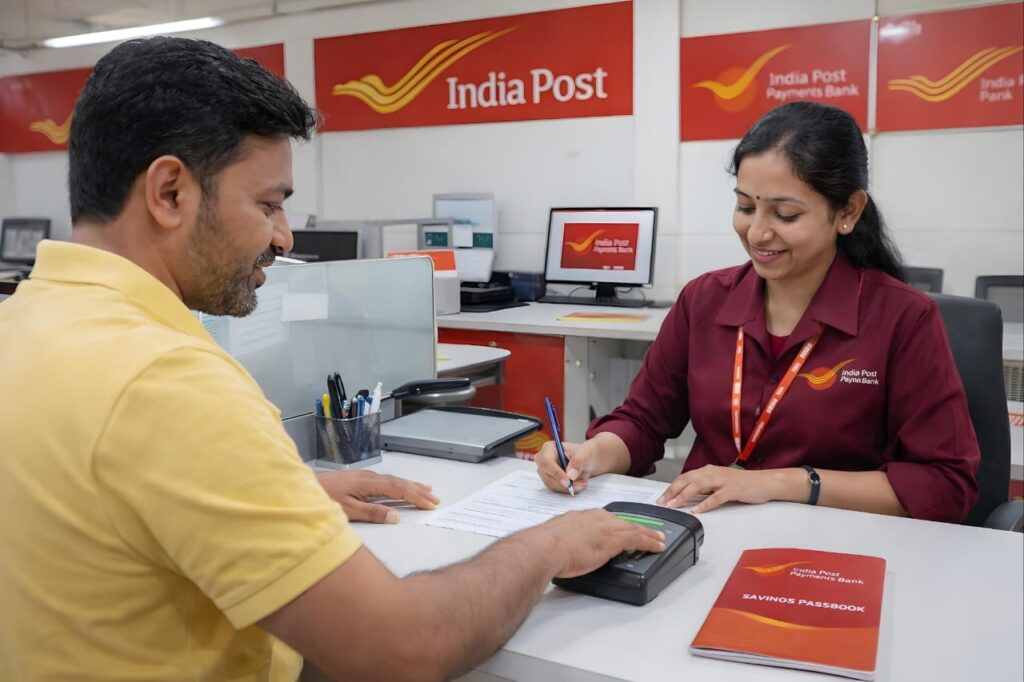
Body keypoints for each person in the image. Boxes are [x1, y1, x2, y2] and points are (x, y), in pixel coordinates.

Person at [0, 37, 666, 681]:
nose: (285, 237)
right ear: (170, 192)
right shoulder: (168, 381)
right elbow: (403, 650)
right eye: (268, 205)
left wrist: (274, 496)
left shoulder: (24, 324)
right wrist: (549, 543)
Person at [537, 101, 979, 524]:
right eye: (746, 207)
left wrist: (782, 483)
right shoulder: (703, 299)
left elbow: (945, 484)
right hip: (708, 531)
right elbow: (643, 421)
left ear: (848, 211)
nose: (757, 233)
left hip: (835, 545)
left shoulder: (904, 318)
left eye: (785, 214)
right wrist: (591, 454)